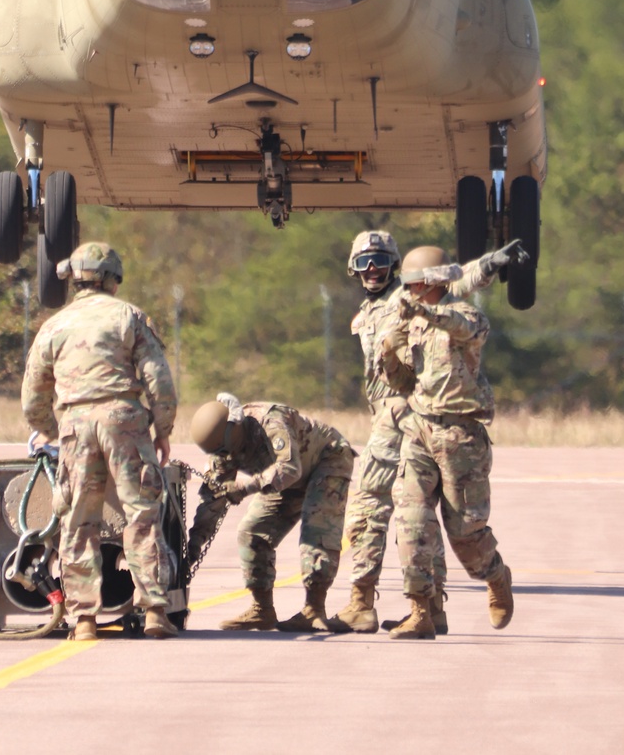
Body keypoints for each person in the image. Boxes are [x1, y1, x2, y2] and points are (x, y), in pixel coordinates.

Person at [334, 230, 515, 634]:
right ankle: (426, 610)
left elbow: (453, 285)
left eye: (380, 261)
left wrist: (486, 267)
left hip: (412, 417)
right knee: (414, 518)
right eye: (364, 262)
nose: (372, 270)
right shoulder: (378, 312)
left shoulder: (417, 303)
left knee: (391, 513)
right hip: (411, 419)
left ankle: (365, 601)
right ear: (352, 268)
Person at [21, 240, 179, 641]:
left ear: (74, 280)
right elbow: (158, 380)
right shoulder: (129, 316)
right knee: (141, 513)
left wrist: (56, 431)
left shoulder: (54, 325)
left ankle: (85, 620)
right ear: (112, 278)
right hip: (124, 420)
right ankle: (156, 611)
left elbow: (32, 397)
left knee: (78, 521)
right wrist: (162, 429)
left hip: (75, 423)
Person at [380, 244, 518, 640]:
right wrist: (389, 356)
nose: (408, 292)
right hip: (420, 428)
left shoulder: (466, 316)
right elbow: (407, 381)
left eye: (413, 284)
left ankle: (495, 576)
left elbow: (459, 326)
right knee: (411, 520)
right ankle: (421, 610)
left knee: (465, 533)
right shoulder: (414, 323)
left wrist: (423, 313)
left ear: (430, 283)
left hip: (461, 436)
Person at [186, 394, 355, 632]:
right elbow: (213, 502)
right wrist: (191, 550)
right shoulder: (223, 450)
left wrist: (244, 488)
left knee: (316, 531)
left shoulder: (270, 422)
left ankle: (314, 609)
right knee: (251, 532)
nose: (224, 456)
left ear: (234, 431)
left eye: (225, 450)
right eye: (218, 453)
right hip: (284, 478)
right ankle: (262, 609)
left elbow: (289, 468)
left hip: (327, 461)